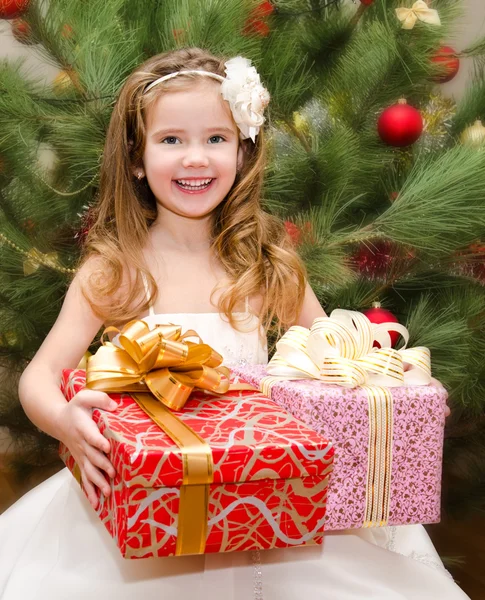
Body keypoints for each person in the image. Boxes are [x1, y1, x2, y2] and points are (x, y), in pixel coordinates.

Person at [0, 47, 467, 600]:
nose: (195, 158)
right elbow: (40, 375)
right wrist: (64, 421)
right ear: (135, 157)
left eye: (215, 139)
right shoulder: (116, 269)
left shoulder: (265, 261)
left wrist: (392, 393)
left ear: (243, 152)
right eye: (171, 139)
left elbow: (333, 359)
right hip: (152, 501)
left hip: (264, 494)